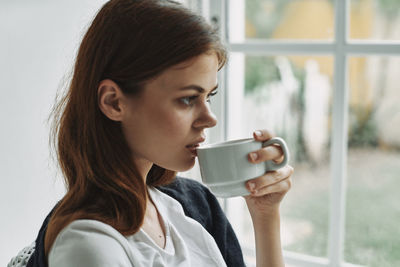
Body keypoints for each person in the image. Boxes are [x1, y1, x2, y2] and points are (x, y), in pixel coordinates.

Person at [16, 0, 293, 266]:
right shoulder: (89, 246)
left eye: (208, 96)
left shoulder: (195, 204)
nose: (210, 119)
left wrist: (266, 215)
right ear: (114, 101)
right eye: (187, 99)